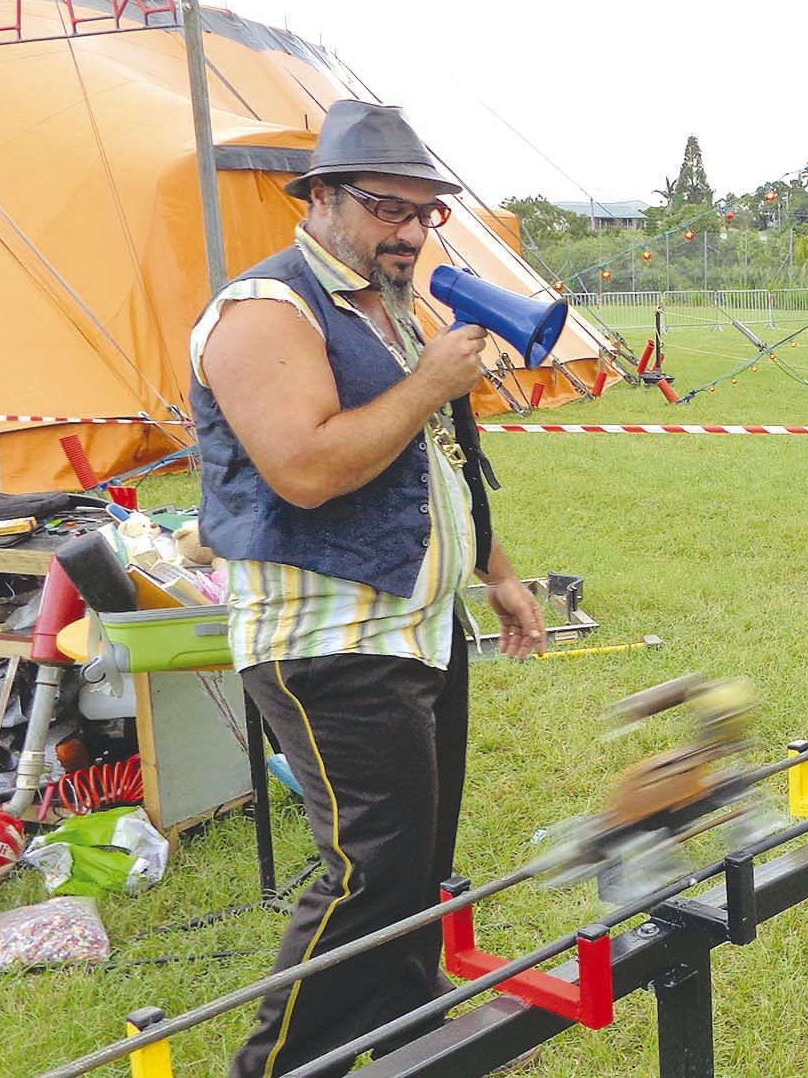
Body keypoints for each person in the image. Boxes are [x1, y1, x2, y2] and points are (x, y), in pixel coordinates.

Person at [190, 100, 547, 1078]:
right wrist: (429, 379)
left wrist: (499, 575)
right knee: (371, 868)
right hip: (324, 638)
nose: (409, 230)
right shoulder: (265, 311)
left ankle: (408, 1044)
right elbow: (303, 468)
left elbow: (439, 458)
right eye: (386, 206)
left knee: (412, 869)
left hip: (419, 626)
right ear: (320, 199)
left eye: (425, 210)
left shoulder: (392, 310)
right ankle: (275, 1068)